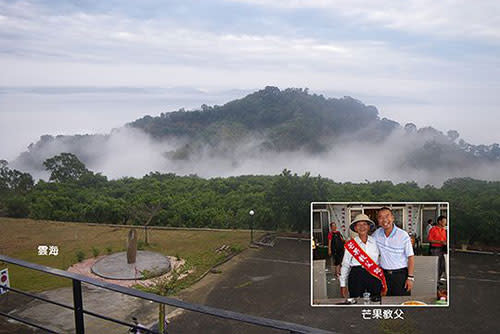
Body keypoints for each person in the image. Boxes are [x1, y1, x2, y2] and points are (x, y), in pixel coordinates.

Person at [339, 214, 385, 299]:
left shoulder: (375, 241)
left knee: (375, 300)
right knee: (355, 300)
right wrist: (343, 284)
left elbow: (382, 259)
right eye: (359, 225)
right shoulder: (351, 244)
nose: (362, 227)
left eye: (364, 224)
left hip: (373, 274)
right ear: (355, 228)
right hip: (356, 275)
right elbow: (345, 265)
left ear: (368, 227)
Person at [372, 207, 415, 296]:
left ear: (392, 218)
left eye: (387, 216)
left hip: (400, 275)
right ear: (378, 221)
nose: (384, 220)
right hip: (384, 275)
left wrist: (410, 278)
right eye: (380, 217)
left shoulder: (403, 235)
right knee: (385, 301)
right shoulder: (376, 234)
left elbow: (410, 257)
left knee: (401, 302)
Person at [428, 215, 447, 280]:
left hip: (442, 249)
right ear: (439, 222)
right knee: (436, 265)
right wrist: (440, 242)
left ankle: (438, 279)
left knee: (442, 265)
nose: (445, 223)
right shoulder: (433, 229)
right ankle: (434, 281)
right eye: (444, 221)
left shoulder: (444, 230)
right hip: (435, 249)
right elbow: (430, 240)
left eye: (445, 222)